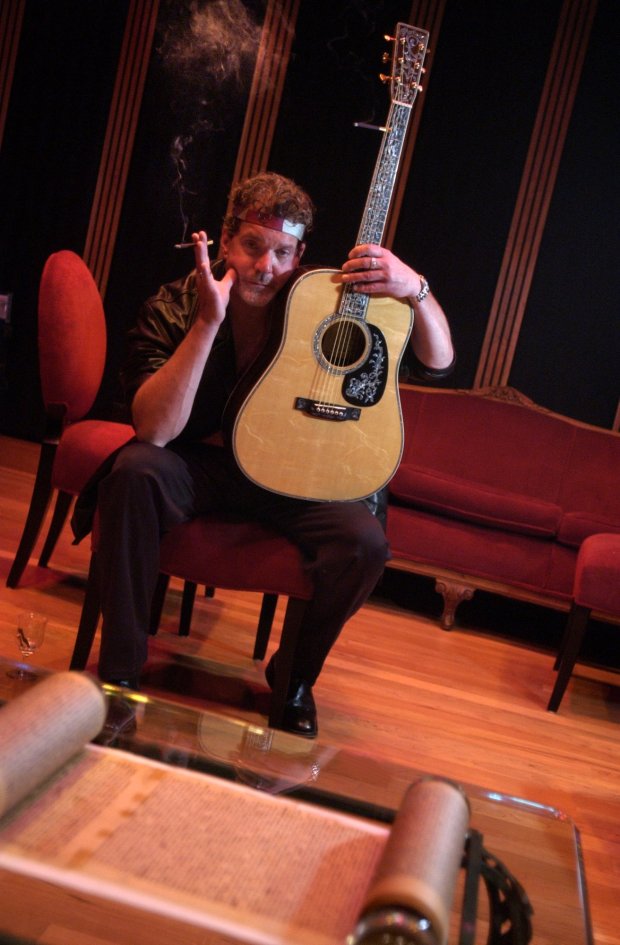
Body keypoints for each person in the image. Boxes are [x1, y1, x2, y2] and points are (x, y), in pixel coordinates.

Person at [84, 171, 454, 738]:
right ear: (226, 241)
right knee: (135, 472)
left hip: (294, 474)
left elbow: (439, 360)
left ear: (300, 254)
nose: (266, 266)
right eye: (253, 246)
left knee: (365, 542)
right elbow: (155, 431)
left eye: (283, 252)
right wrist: (208, 324)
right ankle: (118, 676)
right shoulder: (175, 304)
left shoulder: (326, 303)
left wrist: (415, 287)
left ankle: (295, 679)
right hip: (200, 462)